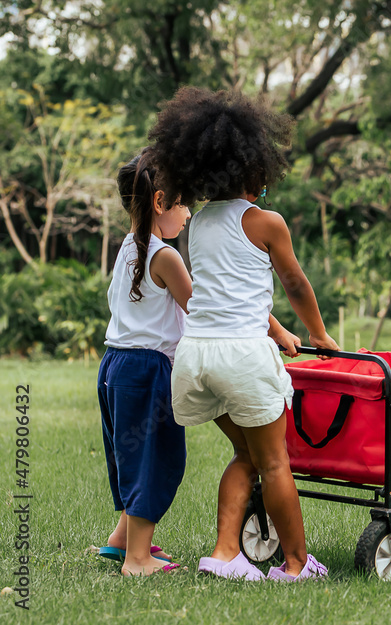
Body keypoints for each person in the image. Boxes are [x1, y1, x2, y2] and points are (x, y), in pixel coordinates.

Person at [148, 86, 339, 582]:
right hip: (240, 357)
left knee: (247, 453)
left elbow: (228, 294)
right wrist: (320, 335)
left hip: (196, 357)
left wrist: (277, 332)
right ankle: (297, 565)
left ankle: (225, 553)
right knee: (276, 462)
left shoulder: (202, 221)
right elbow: (294, 283)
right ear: (254, 167)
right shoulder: (265, 221)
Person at [98, 149, 192, 576]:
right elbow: (201, 308)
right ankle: (138, 560)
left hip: (115, 367)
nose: (189, 214)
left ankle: (122, 540)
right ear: (159, 202)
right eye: (184, 202)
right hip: (146, 372)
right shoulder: (165, 256)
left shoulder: (127, 248)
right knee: (156, 458)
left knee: (130, 457)